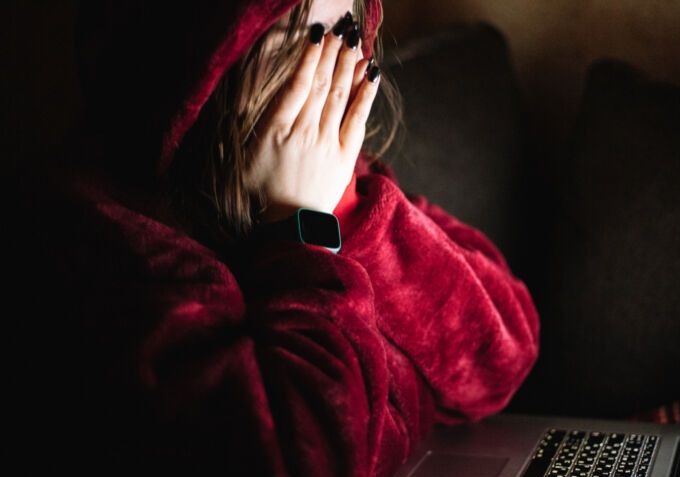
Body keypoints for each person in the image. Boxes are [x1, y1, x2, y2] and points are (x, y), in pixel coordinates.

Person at [10, 0, 539, 476]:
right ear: (196, 60)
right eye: (297, 40)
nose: (330, 69)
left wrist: (343, 212)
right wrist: (302, 231)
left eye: (346, 33)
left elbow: (501, 362)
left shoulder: (341, 178)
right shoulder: (104, 237)